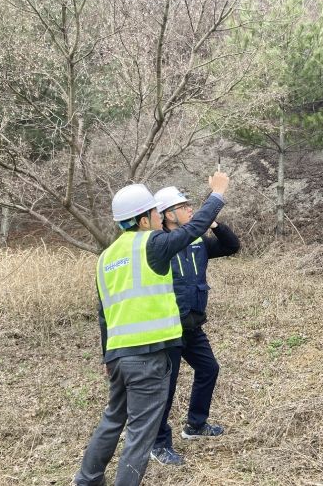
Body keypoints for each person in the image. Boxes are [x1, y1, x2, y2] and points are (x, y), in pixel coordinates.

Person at [74, 172, 229, 486]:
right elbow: (194, 228)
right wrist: (217, 194)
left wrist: (107, 356)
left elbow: (103, 314)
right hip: (148, 356)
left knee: (113, 420)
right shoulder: (151, 244)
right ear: (143, 220)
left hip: (119, 357)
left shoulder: (106, 258)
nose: (160, 217)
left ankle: (86, 480)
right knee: (141, 433)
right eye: (156, 213)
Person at [149, 186, 240, 466]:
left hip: (192, 325)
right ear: (168, 215)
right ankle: (158, 443)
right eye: (183, 206)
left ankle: (195, 425)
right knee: (167, 387)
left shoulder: (197, 241)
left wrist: (214, 224)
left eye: (190, 205)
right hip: (168, 328)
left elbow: (231, 246)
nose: (190, 209)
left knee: (209, 368)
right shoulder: (161, 245)